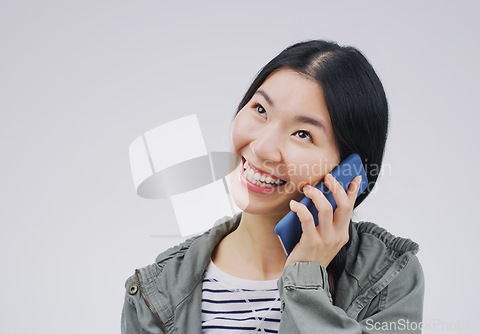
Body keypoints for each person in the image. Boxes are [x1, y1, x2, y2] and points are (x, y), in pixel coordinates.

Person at [121, 40, 424, 334]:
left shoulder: (389, 278)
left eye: (303, 134)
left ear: (348, 171)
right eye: (261, 110)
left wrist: (306, 280)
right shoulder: (155, 292)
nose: (263, 148)